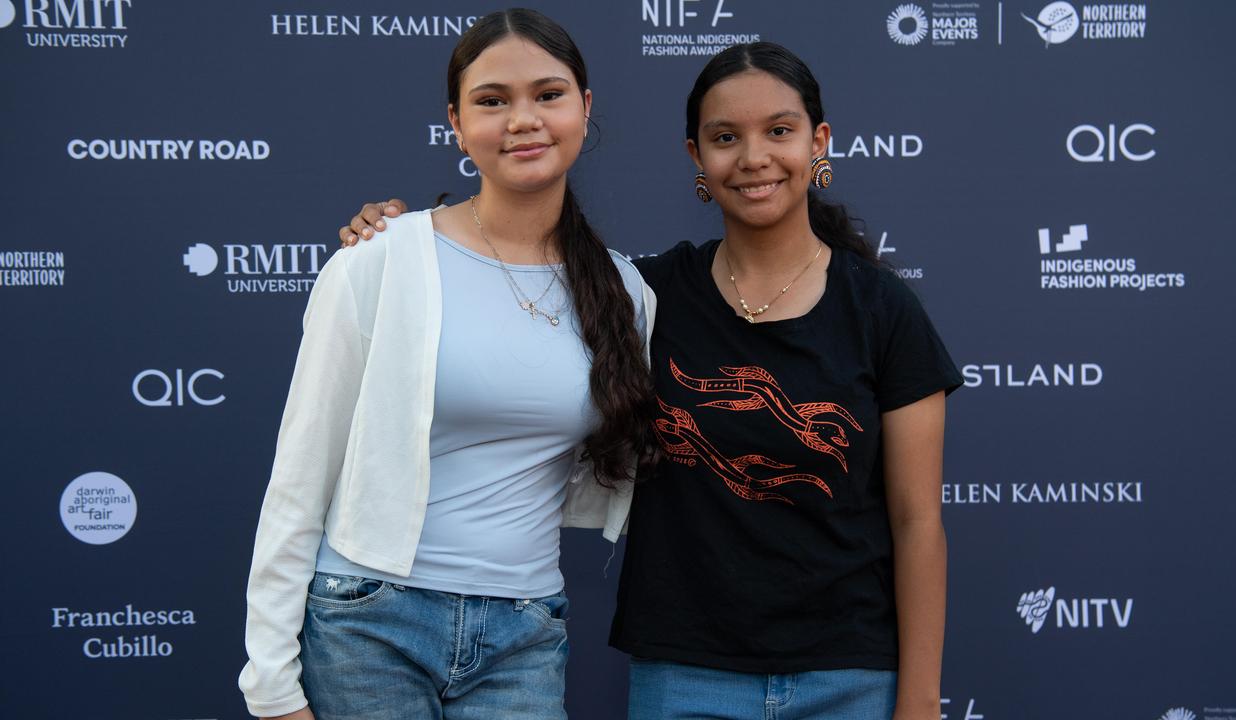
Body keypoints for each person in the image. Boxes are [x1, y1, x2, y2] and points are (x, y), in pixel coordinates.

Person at [345, 42, 960, 720]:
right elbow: (511, 277)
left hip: (848, 675)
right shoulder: (642, 297)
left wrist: (920, 701)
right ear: (697, 157)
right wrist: (400, 237)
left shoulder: (882, 311)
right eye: (726, 137)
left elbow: (917, 520)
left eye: (779, 131)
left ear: (818, 142)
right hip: (685, 673)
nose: (753, 157)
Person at [240, 9, 655, 720]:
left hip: (525, 630)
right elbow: (301, 472)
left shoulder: (625, 292)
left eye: (548, 95)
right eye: (493, 101)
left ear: (584, 109)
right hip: (369, 621)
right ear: (457, 126)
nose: (523, 119)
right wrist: (271, 683)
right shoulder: (380, 259)